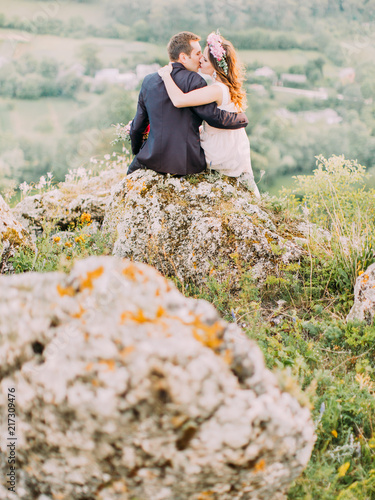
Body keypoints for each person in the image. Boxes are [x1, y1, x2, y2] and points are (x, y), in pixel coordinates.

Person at [128, 31, 249, 176]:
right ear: (184, 57)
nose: (200, 59)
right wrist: (242, 119)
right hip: (185, 162)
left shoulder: (149, 80)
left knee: (128, 177)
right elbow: (214, 117)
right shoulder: (195, 81)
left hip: (150, 157)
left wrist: (138, 151)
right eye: (198, 54)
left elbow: (138, 125)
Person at [158, 31, 260, 198]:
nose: (200, 61)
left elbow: (178, 100)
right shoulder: (225, 86)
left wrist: (166, 76)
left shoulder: (216, 89)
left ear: (215, 65)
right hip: (234, 146)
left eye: (204, 59)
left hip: (220, 151)